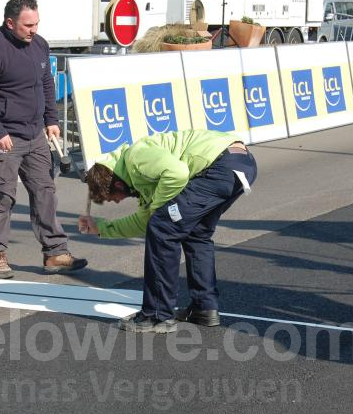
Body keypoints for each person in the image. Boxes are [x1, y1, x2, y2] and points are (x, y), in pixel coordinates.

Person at [78, 130, 258, 334]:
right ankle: (204, 308)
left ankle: (156, 315)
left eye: (114, 197)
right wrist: (101, 228)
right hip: (240, 165)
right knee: (196, 233)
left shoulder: (136, 157)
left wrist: (158, 210)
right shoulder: (140, 176)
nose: (118, 201)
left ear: (118, 183)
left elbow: (177, 173)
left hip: (219, 167)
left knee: (162, 229)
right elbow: (143, 221)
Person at [0, 0, 87, 279]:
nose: (33, 30)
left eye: (36, 23)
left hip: (36, 135)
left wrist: (51, 120)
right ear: (10, 23)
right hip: (6, 138)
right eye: (27, 25)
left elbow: (46, 82)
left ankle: (55, 253)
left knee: (45, 194)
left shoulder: (40, 45)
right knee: (1, 198)